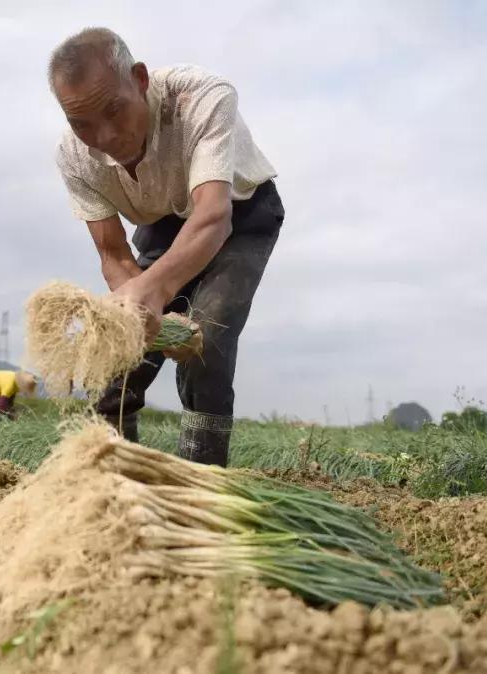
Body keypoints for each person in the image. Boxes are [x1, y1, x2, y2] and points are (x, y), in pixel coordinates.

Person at [49, 28, 284, 466]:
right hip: (162, 225)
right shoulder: (74, 157)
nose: (103, 137)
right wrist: (142, 308)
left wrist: (152, 296)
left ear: (139, 79)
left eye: (114, 111)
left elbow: (213, 217)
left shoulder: (201, 97)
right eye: (81, 123)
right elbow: (113, 255)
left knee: (205, 341)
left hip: (239, 215)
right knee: (120, 344)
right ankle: (114, 475)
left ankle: (203, 479)